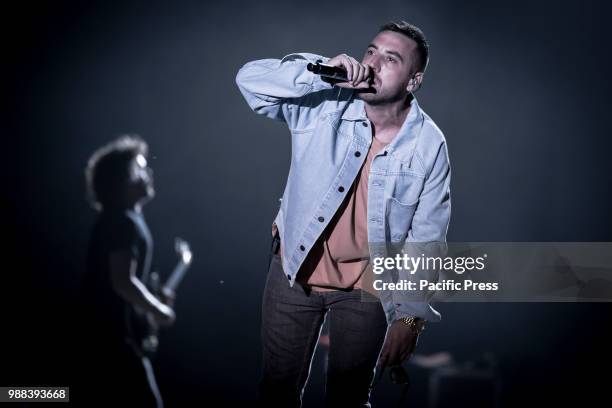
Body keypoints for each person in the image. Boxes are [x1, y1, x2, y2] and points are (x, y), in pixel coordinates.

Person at [236, 20, 451, 407]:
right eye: (370, 51)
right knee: (276, 392)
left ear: (413, 81)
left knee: (349, 400)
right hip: (293, 271)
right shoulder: (324, 103)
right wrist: (318, 72)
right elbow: (250, 81)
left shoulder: (428, 144)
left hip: (367, 290)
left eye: (390, 59)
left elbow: (427, 237)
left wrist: (410, 318)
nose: (372, 64)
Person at [79, 135, 175, 407]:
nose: (149, 172)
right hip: (111, 340)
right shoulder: (123, 222)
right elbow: (122, 282)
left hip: (108, 336)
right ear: (122, 180)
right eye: (141, 168)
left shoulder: (122, 219)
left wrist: (151, 300)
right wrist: (159, 310)